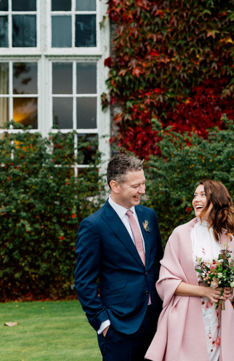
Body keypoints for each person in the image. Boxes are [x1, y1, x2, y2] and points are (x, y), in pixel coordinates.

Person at [74, 154, 164, 361]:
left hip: (157, 320)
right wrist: (103, 323)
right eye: (135, 185)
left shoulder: (148, 215)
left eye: (143, 183)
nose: (142, 190)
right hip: (119, 326)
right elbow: (84, 280)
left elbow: (157, 264)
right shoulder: (93, 225)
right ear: (114, 185)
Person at [145, 180, 234, 361]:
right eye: (194, 195)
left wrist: (228, 289)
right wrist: (204, 291)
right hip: (187, 317)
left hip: (219, 316)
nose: (196, 199)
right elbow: (165, 282)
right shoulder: (180, 234)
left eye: (202, 195)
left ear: (216, 200)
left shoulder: (227, 238)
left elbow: (231, 278)